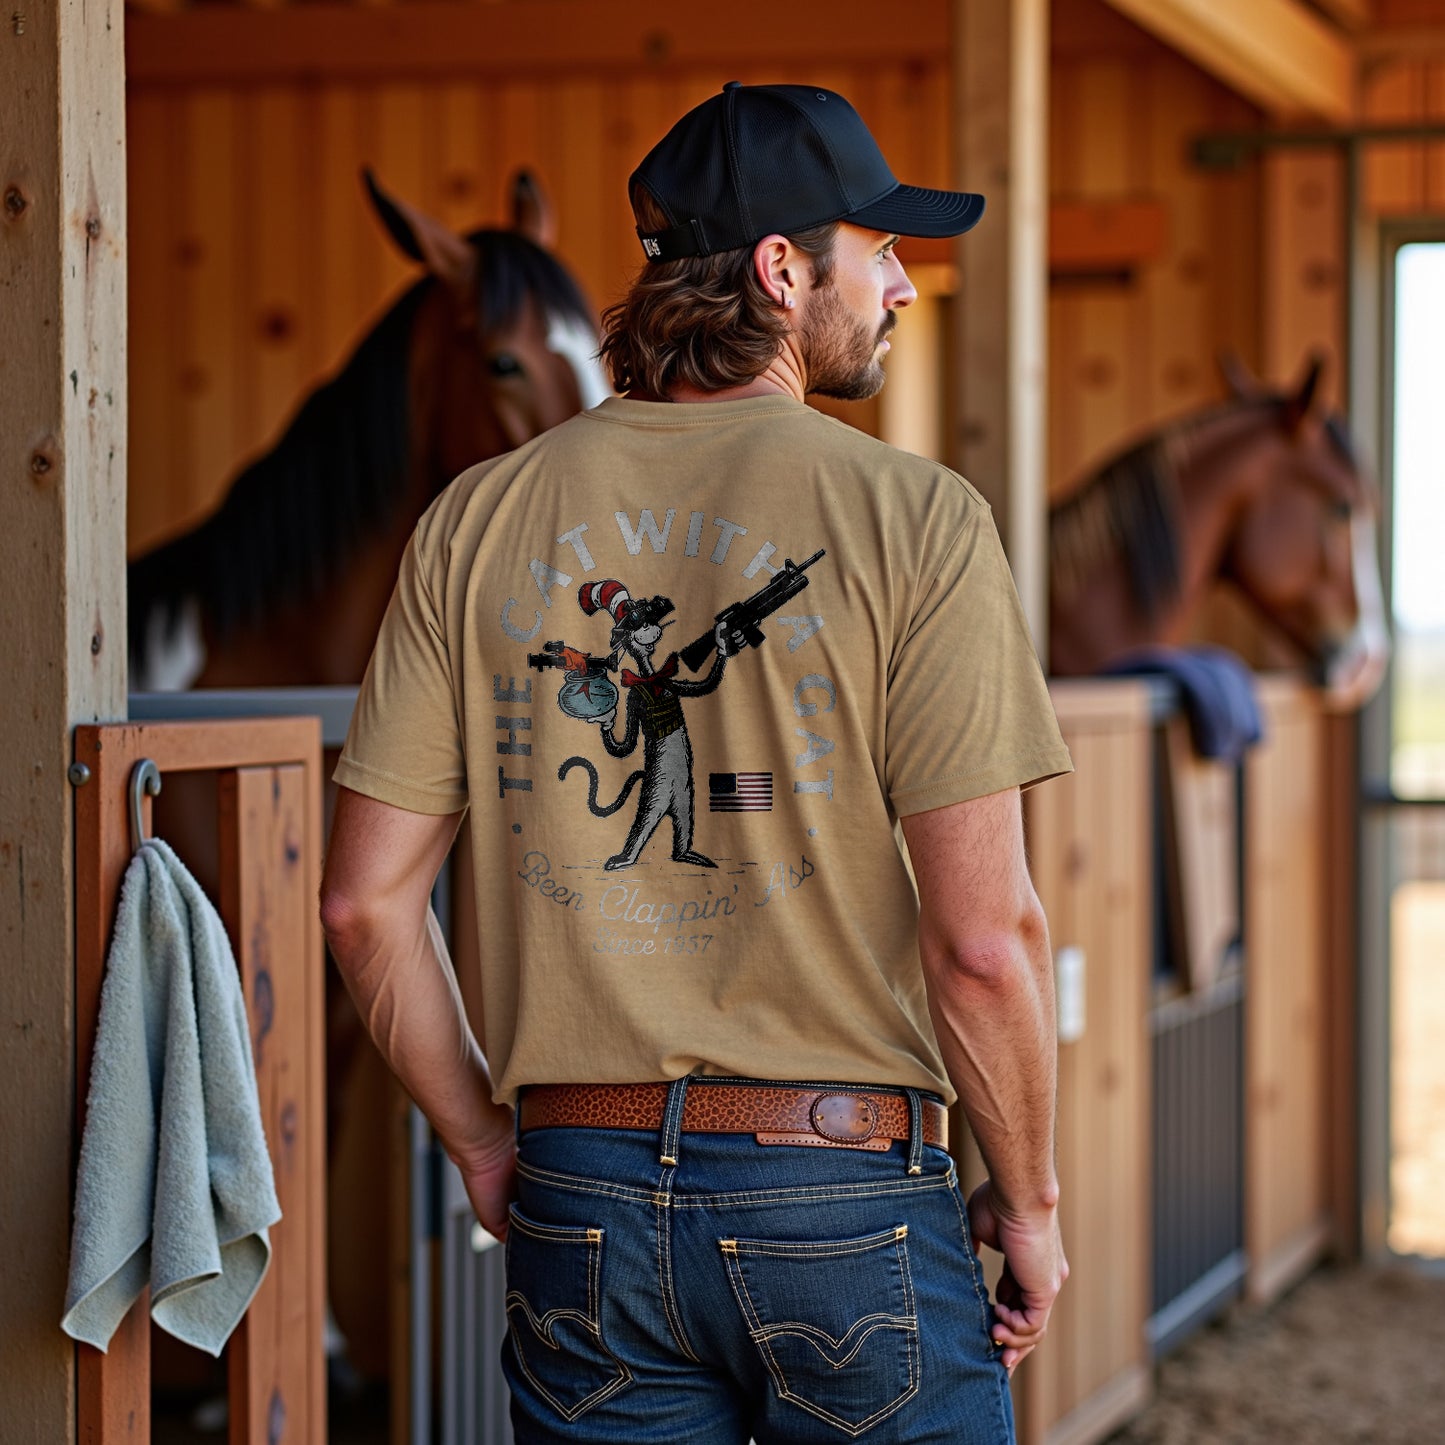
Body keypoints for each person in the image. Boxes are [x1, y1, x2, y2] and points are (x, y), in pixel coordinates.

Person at [320, 81, 1073, 1444]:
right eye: (882, 250)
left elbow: (364, 906)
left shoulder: (474, 520)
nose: (904, 285)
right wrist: (1028, 1201)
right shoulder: (918, 519)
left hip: (578, 1197)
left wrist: (484, 1143)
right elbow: (982, 941)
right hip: (843, 1196)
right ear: (783, 271)